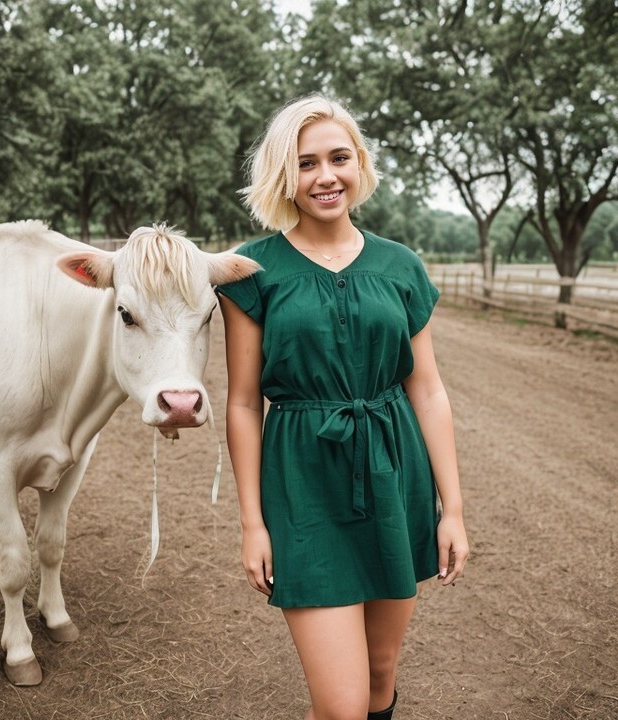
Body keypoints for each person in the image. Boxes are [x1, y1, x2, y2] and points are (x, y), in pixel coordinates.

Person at [216, 95, 469, 720]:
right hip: (302, 484)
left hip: (394, 476)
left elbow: (428, 389)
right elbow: (245, 403)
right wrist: (253, 523)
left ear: (359, 164)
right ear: (285, 176)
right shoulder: (252, 269)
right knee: (340, 704)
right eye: (306, 164)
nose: (325, 176)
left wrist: (453, 510)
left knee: (381, 676)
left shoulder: (400, 265)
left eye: (338, 158)